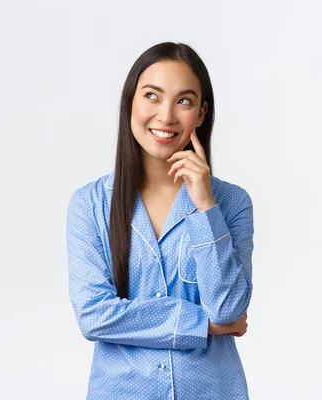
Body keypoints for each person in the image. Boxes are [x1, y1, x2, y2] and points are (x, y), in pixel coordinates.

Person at [66, 42, 254, 400]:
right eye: (152, 95)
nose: (166, 116)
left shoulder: (231, 203)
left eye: (183, 101)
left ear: (201, 113)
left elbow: (229, 309)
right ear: (131, 103)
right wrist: (203, 325)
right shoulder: (89, 205)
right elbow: (94, 315)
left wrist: (204, 206)